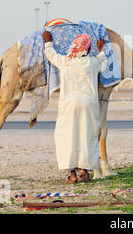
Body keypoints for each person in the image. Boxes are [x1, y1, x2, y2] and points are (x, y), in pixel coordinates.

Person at [42, 30, 107, 183]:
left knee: (68, 136)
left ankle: (72, 174)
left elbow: (51, 55)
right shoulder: (93, 63)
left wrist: (48, 41)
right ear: (88, 49)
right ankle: (84, 171)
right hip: (88, 104)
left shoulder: (65, 61)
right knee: (87, 136)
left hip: (69, 104)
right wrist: (101, 49)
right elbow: (103, 64)